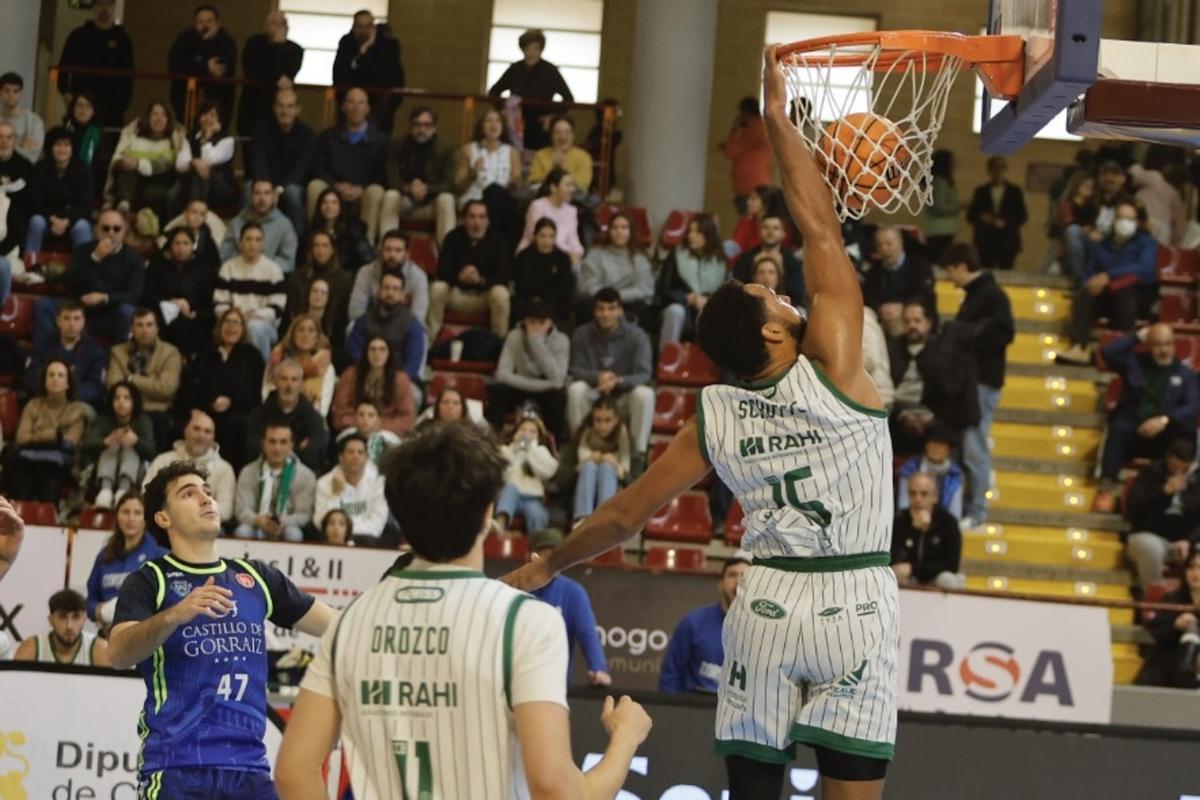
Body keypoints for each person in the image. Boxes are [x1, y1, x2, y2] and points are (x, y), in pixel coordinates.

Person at [507, 47, 899, 799]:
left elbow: (624, 516)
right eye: (771, 296)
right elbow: (819, 228)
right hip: (856, 604)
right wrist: (781, 121)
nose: (781, 293)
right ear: (779, 335)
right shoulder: (839, 366)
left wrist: (549, 564)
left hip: (765, 607)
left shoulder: (715, 414)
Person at [275, 422, 652, 799]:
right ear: (489, 512)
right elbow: (557, 792)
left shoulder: (350, 623)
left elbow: (294, 772)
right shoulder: (530, 620)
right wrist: (625, 739)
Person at [108, 461, 333, 797]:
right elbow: (118, 653)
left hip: (250, 770)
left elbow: (340, 626)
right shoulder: (149, 580)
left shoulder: (256, 577)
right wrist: (175, 615)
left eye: (208, 492)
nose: (205, 499)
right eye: (189, 493)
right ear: (163, 517)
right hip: (175, 767)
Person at [942, 243, 1014, 528]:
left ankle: (978, 511)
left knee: (974, 447)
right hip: (970, 383)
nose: (950, 277)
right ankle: (965, 509)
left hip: (981, 382)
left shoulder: (991, 295)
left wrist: (970, 341)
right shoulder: (978, 296)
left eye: (950, 270)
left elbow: (1005, 333)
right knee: (966, 447)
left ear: (962, 265)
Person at [1092, 324, 1200, 513]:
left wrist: (1164, 420)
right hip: (1135, 431)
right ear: (1148, 345)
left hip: (1167, 438)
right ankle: (1106, 491)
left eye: (1168, 344)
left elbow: (1193, 407)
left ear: (1174, 345)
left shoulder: (1186, 374)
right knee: (1118, 428)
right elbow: (1108, 352)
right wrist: (1138, 335)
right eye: (1157, 345)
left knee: (1189, 431)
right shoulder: (1135, 363)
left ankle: (1183, 487)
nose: (1164, 350)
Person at [1057, 201, 1159, 364]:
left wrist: (1109, 275)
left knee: (1124, 291)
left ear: (1137, 222)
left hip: (1135, 297)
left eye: (1130, 219)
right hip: (1106, 297)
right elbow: (1090, 271)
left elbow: (1145, 269)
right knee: (1086, 292)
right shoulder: (1102, 245)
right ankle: (1078, 346)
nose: (1125, 223)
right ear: (1114, 220)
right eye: (1121, 218)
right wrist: (1090, 282)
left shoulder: (1146, 243)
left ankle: (1120, 351)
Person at [33, 209, 145, 350]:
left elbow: (133, 295)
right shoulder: (83, 251)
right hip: (78, 309)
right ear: (97, 230)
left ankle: (117, 363)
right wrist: (95, 258)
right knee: (44, 304)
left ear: (124, 231)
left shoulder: (134, 258)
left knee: (127, 311)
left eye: (116, 229)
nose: (111, 233)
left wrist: (105, 298)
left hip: (109, 315)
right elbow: (68, 281)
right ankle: (43, 358)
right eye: (106, 228)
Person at [566, 288, 654, 456]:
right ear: (594, 311)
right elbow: (575, 369)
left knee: (645, 394)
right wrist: (597, 377)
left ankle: (638, 454)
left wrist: (618, 380)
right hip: (595, 394)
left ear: (620, 310)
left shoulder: (638, 336)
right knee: (575, 389)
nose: (606, 314)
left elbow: (644, 374)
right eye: (601, 309)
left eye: (611, 308)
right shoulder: (581, 334)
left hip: (623, 397)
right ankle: (577, 448)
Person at [528, 527, 611, 686]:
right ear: (531, 556)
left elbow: (587, 633)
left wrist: (598, 668)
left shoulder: (573, 592)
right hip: (513, 682)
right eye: (543, 553)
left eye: (553, 554)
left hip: (556, 688)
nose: (548, 560)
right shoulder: (513, 589)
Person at [185, 308, 266, 471]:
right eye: (227, 322)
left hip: (238, 412)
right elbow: (191, 385)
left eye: (236, 322)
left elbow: (253, 394)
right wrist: (198, 408)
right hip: (206, 410)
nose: (231, 327)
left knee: (236, 425)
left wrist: (231, 402)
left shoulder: (252, 356)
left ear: (243, 328)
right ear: (219, 326)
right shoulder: (206, 352)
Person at [308, 88, 389, 245]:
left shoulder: (381, 141)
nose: (355, 107)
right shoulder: (327, 137)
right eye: (351, 102)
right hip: (335, 187)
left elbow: (382, 174)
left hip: (364, 190)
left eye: (360, 103)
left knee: (376, 191)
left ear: (367, 109)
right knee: (314, 186)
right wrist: (336, 185)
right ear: (343, 106)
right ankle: (316, 238)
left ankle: (366, 244)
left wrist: (362, 188)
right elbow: (317, 167)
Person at [659, 556, 751, 693]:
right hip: (695, 708)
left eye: (744, 577)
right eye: (732, 575)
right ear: (720, 583)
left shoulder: (762, 631)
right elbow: (671, 675)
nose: (738, 581)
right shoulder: (693, 622)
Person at [8, 359, 89, 503]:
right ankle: (21, 513)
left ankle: (48, 516)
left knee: (50, 466)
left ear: (68, 383)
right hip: (30, 460)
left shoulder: (77, 410)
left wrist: (36, 435)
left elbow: (68, 443)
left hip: (61, 465)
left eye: (60, 375)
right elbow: (21, 438)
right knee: (21, 463)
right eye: (51, 375)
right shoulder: (33, 405)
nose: (55, 379)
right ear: (44, 381)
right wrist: (52, 435)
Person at [1125, 437, 1200, 591]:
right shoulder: (1150, 473)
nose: (1178, 472)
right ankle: (1154, 602)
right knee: (1150, 547)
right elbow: (1135, 510)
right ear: (1168, 458)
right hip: (1150, 534)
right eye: (1174, 467)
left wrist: (1190, 541)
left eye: (1184, 469)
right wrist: (1164, 492)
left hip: (1187, 540)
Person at [430, 199, 512, 339]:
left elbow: (504, 276)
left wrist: (480, 280)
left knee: (501, 293)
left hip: (483, 297)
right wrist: (459, 277)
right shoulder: (452, 237)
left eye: (481, 217)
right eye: (472, 216)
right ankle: (430, 342)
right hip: (456, 294)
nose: (477, 222)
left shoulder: (498, 241)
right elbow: (442, 271)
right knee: (437, 288)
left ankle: (498, 345)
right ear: (464, 219)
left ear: (488, 220)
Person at [85, 493, 167, 633]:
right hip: (108, 636)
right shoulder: (104, 555)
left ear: (146, 518)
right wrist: (100, 611)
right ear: (117, 515)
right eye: (125, 512)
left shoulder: (159, 554)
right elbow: (90, 600)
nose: (131, 519)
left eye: (137, 513)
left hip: (144, 636)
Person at [489, 297, 570, 435]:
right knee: (498, 390)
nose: (537, 328)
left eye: (542, 323)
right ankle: (493, 437)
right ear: (524, 322)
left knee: (557, 397)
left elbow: (558, 379)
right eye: (532, 322)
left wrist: (536, 344)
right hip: (522, 388)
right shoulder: (515, 336)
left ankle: (554, 445)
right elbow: (502, 374)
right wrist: (546, 384)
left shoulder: (561, 341)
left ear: (550, 323)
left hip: (546, 393)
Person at [144, 408, 237, 524]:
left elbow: (226, 510)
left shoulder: (224, 469)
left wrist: (193, 516)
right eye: (196, 429)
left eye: (207, 431)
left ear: (213, 437)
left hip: (205, 526)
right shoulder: (163, 460)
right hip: (167, 524)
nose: (201, 435)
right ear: (186, 431)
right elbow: (146, 496)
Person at [487, 28, 574, 151]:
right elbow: (494, 92)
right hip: (515, 123)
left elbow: (568, 98)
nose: (532, 52)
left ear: (541, 49)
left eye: (536, 48)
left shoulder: (550, 71)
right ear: (523, 49)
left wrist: (553, 115)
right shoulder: (515, 69)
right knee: (513, 155)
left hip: (540, 125)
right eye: (528, 48)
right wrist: (503, 110)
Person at [381, 106, 457, 243]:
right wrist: (409, 188)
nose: (422, 130)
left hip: (432, 201)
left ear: (434, 127)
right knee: (390, 195)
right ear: (411, 126)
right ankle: (388, 247)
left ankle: (447, 253)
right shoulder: (397, 145)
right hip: (405, 198)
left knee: (447, 199)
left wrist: (426, 189)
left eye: (427, 125)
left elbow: (449, 184)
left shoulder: (446, 148)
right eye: (417, 124)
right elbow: (391, 178)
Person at [214, 221, 288, 358]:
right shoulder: (228, 267)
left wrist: (254, 316)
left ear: (262, 243)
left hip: (264, 325)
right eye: (248, 239)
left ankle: (260, 374)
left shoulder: (273, 269)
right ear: (240, 242)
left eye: (257, 240)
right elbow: (219, 304)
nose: (253, 244)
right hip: (233, 320)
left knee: (253, 327)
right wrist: (238, 318)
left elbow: (277, 309)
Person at [56, 0, 134, 128]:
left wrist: (120, 107)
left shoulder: (123, 40)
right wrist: (68, 96)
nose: (105, 9)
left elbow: (128, 80)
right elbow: (63, 70)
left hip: (111, 111)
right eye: (101, 3)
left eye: (109, 4)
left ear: (114, 7)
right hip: (81, 106)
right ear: (93, 6)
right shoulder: (78, 36)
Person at [234, 423, 317, 542]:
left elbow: (304, 515)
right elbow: (241, 510)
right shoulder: (248, 471)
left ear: (291, 445)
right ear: (263, 443)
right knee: (243, 531)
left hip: (287, 526)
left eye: (283, 442)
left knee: (294, 533)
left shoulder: (305, 475)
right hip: (256, 524)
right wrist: (258, 520)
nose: (277, 448)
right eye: (272, 441)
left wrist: (281, 522)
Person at [104, 100, 185, 219]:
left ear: (168, 120)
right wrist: (123, 162)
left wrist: (137, 163)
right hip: (132, 184)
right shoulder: (134, 138)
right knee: (125, 169)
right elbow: (121, 157)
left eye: (163, 115)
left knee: (152, 193)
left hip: (158, 183)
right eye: (155, 114)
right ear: (148, 117)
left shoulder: (172, 141)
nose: (159, 119)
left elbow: (162, 164)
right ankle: (123, 206)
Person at [249, 88, 315, 235]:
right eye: (281, 106)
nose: (285, 111)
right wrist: (267, 190)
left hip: (293, 185)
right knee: (250, 189)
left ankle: (299, 246)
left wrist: (279, 189)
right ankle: (249, 236)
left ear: (298, 109)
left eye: (290, 106)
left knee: (292, 192)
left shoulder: (307, 134)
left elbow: (301, 170)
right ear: (274, 108)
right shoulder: (260, 130)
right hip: (266, 182)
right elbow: (259, 164)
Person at [142, 227, 214, 360]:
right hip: (162, 314)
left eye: (186, 243)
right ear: (170, 245)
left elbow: (209, 305)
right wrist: (171, 301)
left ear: (193, 245)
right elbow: (147, 296)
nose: (181, 248)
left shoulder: (203, 268)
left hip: (193, 318)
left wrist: (195, 314)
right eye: (177, 243)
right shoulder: (158, 264)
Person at [107, 308, 184, 431]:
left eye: (149, 325)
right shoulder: (117, 351)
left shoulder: (171, 352)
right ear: (132, 328)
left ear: (157, 328)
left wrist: (130, 379)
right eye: (139, 325)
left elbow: (166, 389)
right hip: (123, 411)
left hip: (156, 411)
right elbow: (113, 386)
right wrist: (152, 381)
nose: (145, 330)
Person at [83, 380, 156, 510]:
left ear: (134, 401)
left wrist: (136, 442)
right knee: (112, 447)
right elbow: (87, 444)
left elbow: (152, 452)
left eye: (126, 398)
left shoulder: (143, 420)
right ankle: (105, 492)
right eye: (117, 398)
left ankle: (123, 492)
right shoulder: (103, 420)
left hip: (135, 475)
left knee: (129, 449)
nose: (121, 402)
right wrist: (105, 442)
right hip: (102, 472)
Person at [454, 108, 522, 244]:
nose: (493, 125)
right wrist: (472, 173)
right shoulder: (468, 150)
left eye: (497, 121)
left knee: (499, 196)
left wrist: (514, 183)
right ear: (481, 126)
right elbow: (458, 187)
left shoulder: (511, 152)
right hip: (475, 199)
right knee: (495, 196)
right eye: (489, 121)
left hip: (501, 202)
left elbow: (517, 186)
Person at [332, 10, 406, 135]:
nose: (363, 30)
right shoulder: (346, 43)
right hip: (349, 106)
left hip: (379, 108)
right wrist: (362, 52)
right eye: (359, 26)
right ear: (353, 27)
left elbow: (389, 78)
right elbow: (339, 75)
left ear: (373, 27)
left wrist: (389, 107)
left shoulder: (387, 45)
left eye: (367, 26)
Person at [345, 270, 426, 385]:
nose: (390, 293)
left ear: (402, 294)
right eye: (386, 288)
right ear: (379, 291)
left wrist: (390, 382)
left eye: (395, 289)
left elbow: (412, 366)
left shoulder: (412, 325)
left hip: (399, 383)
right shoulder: (364, 321)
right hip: (365, 380)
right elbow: (354, 356)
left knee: (415, 395)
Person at [658, 214, 727, 348]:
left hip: (706, 307)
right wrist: (685, 297)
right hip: (680, 305)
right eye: (690, 231)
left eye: (698, 232)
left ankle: (707, 364)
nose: (692, 236)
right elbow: (663, 289)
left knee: (709, 312)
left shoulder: (720, 261)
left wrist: (707, 300)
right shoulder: (676, 255)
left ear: (708, 234)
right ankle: (666, 360)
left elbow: (726, 294)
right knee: (675, 311)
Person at [1136, 545, 1200, 688]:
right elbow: (1156, 631)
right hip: (1169, 662)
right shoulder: (1172, 599)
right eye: (1191, 567)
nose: (1196, 573)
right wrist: (1176, 625)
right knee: (1162, 655)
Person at [237, 12, 303, 149]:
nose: (278, 28)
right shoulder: (254, 43)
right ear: (266, 26)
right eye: (273, 23)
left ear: (287, 28)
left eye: (281, 24)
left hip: (278, 107)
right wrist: (275, 48)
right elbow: (251, 70)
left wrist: (278, 47)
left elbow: (288, 75)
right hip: (252, 106)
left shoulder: (295, 50)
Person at [25, 127, 94, 257]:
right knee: (36, 222)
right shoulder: (40, 168)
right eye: (58, 145)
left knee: (83, 227)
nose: (62, 149)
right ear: (50, 147)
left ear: (73, 148)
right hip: (47, 218)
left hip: (73, 219)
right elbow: (34, 201)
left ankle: (84, 271)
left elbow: (86, 204)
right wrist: (53, 219)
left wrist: (66, 221)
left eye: (66, 145)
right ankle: (29, 266)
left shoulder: (83, 169)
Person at [26, 299, 107, 409]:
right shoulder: (43, 346)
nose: (72, 324)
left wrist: (67, 394)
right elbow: (32, 377)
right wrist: (52, 392)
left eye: (76, 318)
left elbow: (96, 386)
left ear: (84, 322)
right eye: (66, 318)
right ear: (58, 321)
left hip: (78, 406)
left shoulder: (95, 351)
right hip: (46, 402)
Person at [890, 472, 964, 589]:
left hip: (936, 577)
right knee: (891, 576)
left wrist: (914, 569)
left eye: (924, 494)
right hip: (907, 578)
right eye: (912, 493)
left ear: (935, 496)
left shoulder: (948, 522)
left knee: (948, 579)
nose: (917, 499)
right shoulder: (899, 520)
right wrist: (914, 530)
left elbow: (952, 564)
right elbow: (893, 557)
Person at [331, 336, 417, 436]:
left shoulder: (401, 379)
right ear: (365, 353)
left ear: (389, 353)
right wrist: (361, 422)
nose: (377, 354)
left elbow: (408, 419)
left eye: (382, 349)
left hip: (388, 432)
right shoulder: (350, 375)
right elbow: (339, 413)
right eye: (372, 349)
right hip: (354, 430)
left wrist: (379, 424)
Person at [167, 4, 238, 123]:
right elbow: (174, 65)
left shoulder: (227, 41)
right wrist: (205, 66)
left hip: (218, 100)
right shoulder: (185, 38)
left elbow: (221, 69)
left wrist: (207, 46)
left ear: (218, 23)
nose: (205, 25)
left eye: (209, 21)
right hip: (186, 101)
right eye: (200, 21)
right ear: (195, 23)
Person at [861, 226, 936, 337]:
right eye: (879, 245)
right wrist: (880, 309)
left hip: (911, 318)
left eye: (888, 244)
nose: (884, 249)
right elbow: (869, 298)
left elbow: (926, 295)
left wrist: (903, 307)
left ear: (900, 243)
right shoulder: (873, 272)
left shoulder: (919, 266)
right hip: (882, 322)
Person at [579, 211, 655, 318]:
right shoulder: (595, 254)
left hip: (628, 302)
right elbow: (589, 284)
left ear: (630, 232)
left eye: (624, 228)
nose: (619, 232)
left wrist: (617, 297)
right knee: (585, 306)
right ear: (609, 231)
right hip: (600, 300)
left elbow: (644, 289)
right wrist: (607, 300)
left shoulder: (640, 259)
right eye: (615, 228)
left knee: (641, 308)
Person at [314, 434, 388, 543]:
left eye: (360, 452)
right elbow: (320, 522)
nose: (355, 456)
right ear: (341, 457)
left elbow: (376, 527)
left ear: (367, 458)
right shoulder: (325, 482)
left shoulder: (378, 482)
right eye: (350, 452)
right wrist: (335, 494)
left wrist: (343, 530)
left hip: (366, 539)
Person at [347, 229, 429, 326]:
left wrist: (393, 332)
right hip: (372, 324)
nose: (392, 255)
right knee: (352, 327)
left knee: (421, 334)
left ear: (407, 254)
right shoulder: (366, 272)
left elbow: (418, 316)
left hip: (403, 327)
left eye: (398, 250)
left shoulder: (418, 276)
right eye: (388, 249)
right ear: (381, 251)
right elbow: (355, 311)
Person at [494, 414, 558, 533]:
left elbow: (548, 471)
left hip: (531, 498)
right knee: (511, 488)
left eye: (532, 432)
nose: (526, 434)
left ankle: (537, 545)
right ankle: (500, 524)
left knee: (536, 514)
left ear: (538, 437)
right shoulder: (506, 450)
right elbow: (502, 473)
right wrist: (514, 450)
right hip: (509, 495)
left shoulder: (541, 451)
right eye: (522, 429)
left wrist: (530, 450)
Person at [571, 396, 630, 524]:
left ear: (616, 420)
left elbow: (630, 476)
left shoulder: (624, 436)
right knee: (589, 466)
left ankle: (604, 519)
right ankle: (582, 519)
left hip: (617, 491)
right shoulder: (583, 434)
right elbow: (564, 478)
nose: (602, 426)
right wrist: (587, 460)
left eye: (608, 420)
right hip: (580, 489)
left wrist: (615, 463)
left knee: (606, 468)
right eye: (598, 420)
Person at [222, 178, 300, 274]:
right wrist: (246, 265)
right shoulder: (236, 223)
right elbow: (225, 256)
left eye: (267, 193)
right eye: (257, 193)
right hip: (239, 277)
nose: (262, 198)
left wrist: (261, 266)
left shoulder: (285, 225)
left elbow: (288, 262)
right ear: (250, 196)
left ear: (274, 197)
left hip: (270, 279)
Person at [14, 589, 109, 666]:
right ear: (50, 620)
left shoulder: (100, 650)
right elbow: (14, 687)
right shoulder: (32, 648)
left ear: (84, 619)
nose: (69, 626)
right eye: (62, 617)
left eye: (76, 617)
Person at [731, 213, 806, 307]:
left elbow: (798, 294)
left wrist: (781, 274)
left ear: (783, 233)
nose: (770, 232)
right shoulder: (745, 259)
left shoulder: (791, 261)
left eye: (775, 228)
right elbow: (737, 290)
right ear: (759, 231)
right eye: (766, 227)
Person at [967, 155, 1028, 270]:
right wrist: (982, 217)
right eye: (994, 168)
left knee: (1006, 272)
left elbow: (1022, 216)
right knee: (985, 270)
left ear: (1005, 170)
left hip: (1008, 241)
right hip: (985, 241)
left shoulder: (1014, 191)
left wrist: (1005, 222)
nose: (998, 171)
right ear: (989, 170)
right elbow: (971, 216)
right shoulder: (981, 191)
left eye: (1001, 168)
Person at [264, 314, 333, 414]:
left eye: (311, 330)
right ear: (292, 334)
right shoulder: (277, 361)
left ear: (317, 337)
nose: (305, 334)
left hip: (311, 420)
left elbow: (322, 408)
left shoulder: (326, 367)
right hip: (275, 416)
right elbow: (266, 393)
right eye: (301, 330)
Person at [513, 218, 576, 324]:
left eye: (551, 236)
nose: (546, 241)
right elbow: (521, 286)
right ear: (535, 236)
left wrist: (548, 301)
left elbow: (566, 288)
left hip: (554, 304)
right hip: (529, 302)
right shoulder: (523, 257)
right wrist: (535, 299)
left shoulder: (562, 258)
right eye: (542, 236)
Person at [896, 421, 964, 520]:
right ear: (926, 445)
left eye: (941, 444)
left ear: (949, 449)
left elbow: (955, 514)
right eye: (933, 443)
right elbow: (903, 506)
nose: (936, 448)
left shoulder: (955, 475)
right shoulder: (909, 470)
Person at [286, 229, 351, 332]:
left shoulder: (344, 279)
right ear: (310, 249)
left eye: (325, 246)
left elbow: (342, 316)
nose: (320, 250)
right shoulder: (297, 278)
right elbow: (292, 312)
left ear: (332, 250)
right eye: (316, 245)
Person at [517, 167, 584, 262]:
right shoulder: (538, 206)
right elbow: (539, 237)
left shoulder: (571, 210)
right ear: (553, 188)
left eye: (572, 185)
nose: (572, 189)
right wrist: (566, 254)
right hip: (535, 253)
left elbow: (573, 239)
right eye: (567, 185)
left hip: (564, 256)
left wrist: (577, 253)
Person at [719, 97, 771, 212]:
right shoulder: (759, 127)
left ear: (745, 113)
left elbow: (730, 151)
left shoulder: (754, 128)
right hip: (751, 185)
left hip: (750, 187)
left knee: (749, 222)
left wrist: (735, 128)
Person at [307, 186, 375, 273]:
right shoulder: (311, 231)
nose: (329, 206)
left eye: (334, 203)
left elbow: (367, 259)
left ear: (341, 207)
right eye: (325, 202)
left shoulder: (353, 230)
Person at [527, 115, 594, 195]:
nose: (562, 136)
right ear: (551, 136)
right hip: (545, 200)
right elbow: (533, 181)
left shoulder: (584, 156)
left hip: (573, 201)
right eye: (557, 132)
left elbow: (583, 184)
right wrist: (554, 169)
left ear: (573, 136)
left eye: (567, 132)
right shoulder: (541, 155)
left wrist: (562, 169)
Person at [164, 197, 223, 274]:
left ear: (205, 218)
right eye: (194, 212)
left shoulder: (208, 241)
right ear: (185, 214)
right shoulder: (174, 235)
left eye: (202, 214)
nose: (197, 217)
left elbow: (213, 265)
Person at [922, 149, 960, 264]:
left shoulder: (938, 182)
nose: (955, 165)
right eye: (952, 162)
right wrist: (960, 206)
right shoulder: (940, 182)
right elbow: (938, 207)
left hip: (938, 230)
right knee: (939, 262)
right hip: (940, 231)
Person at [725, 184, 784, 258]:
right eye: (749, 198)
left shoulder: (778, 224)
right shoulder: (745, 222)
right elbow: (735, 245)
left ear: (765, 204)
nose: (748, 202)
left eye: (754, 199)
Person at [63, 93, 106, 189]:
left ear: (93, 111)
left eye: (88, 106)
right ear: (73, 108)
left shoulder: (99, 134)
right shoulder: (63, 131)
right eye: (80, 105)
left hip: (90, 183)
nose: (83, 110)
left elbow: (101, 166)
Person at [342, 401, 402, 467]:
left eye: (371, 415)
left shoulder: (388, 441)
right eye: (361, 414)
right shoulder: (345, 439)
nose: (365, 419)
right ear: (355, 418)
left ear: (379, 420)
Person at [0, 73, 44, 163]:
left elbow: (32, 155)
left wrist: (5, 149)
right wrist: (20, 145)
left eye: (16, 91)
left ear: (21, 93)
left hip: (24, 173)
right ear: (0, 92)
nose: (11, 95)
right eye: (7, 91)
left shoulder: (34, 122)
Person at [414, 385, 487, 431]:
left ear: (463, 408)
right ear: (438, 407)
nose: (450, 406)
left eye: (456, 403)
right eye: (445, 402)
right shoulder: (425, 428)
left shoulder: (473, 430)